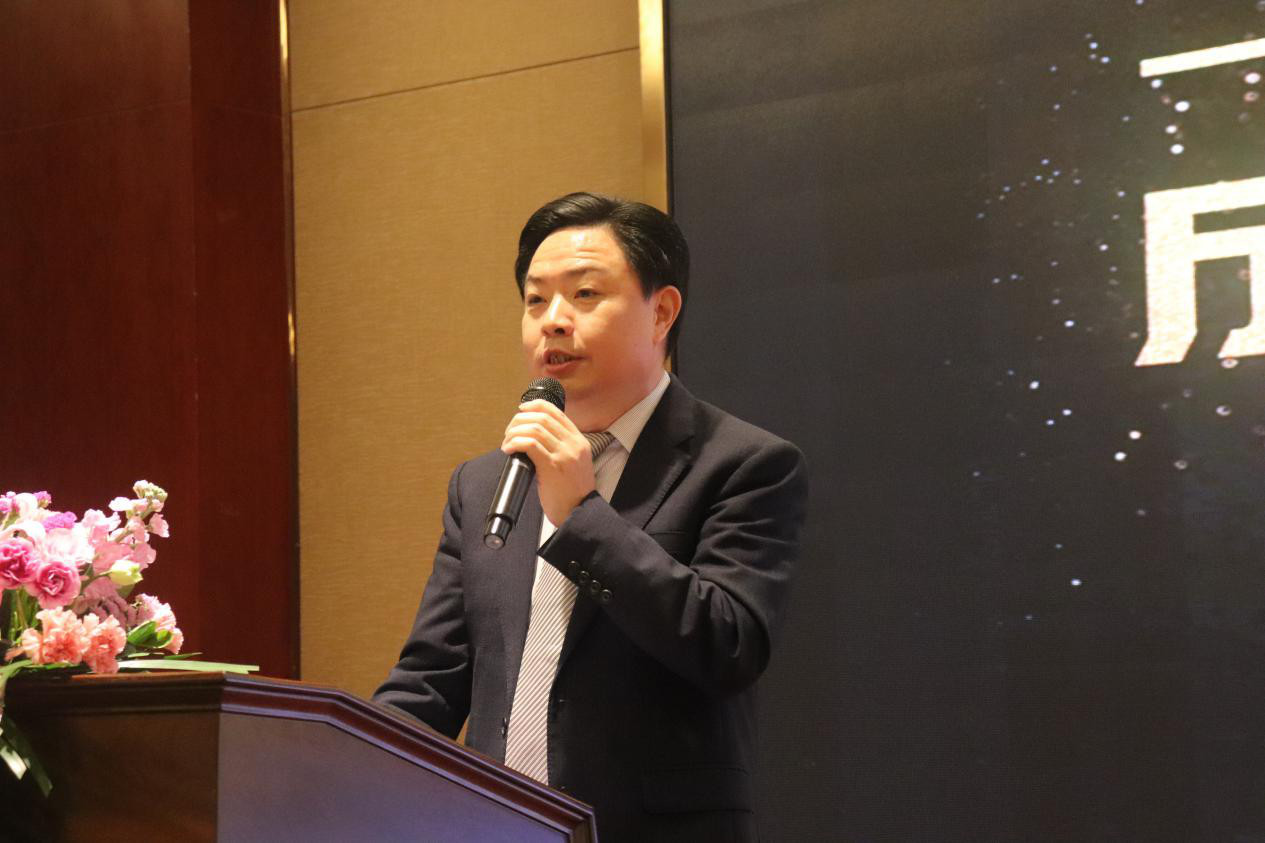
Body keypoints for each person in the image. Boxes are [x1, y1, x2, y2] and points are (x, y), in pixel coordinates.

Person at [374, 192, 808, 842]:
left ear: (661, 312)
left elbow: (728, 647)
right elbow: (430, 680)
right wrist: (342, 763)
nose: (552, 321)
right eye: (535, 300)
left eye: (583, 294)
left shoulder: (744, 464)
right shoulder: (485, 483)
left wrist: (581, 515)